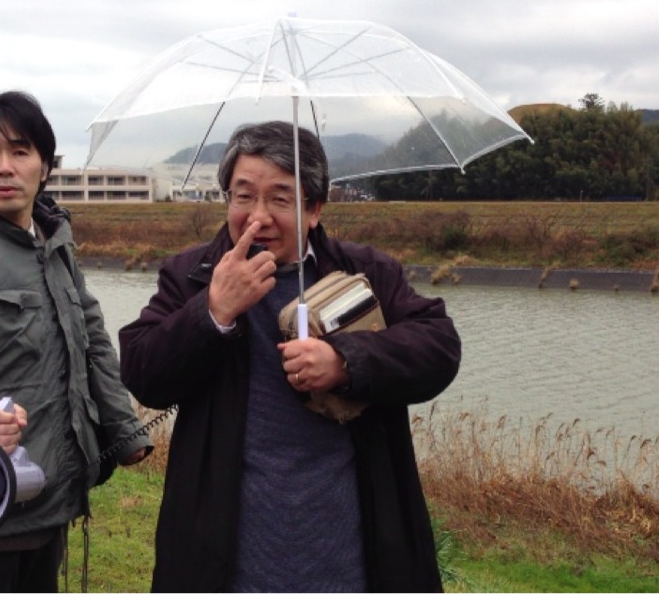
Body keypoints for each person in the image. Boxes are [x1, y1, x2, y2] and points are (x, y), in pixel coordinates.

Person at [119, 120, 462, 592]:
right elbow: (142, 371)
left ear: (314, 208)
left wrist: (345, 362)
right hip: (225, 555)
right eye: (243, 196)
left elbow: (439, 346)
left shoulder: (367, 272)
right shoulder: (192, 276)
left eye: (280, 199)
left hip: (349, 552)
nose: (258, 217)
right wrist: (213, 311)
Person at [0, 90, 152, 593]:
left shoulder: (54, 244)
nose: (5, 167)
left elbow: (94, 344)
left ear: (44, 166)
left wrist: (125, 433)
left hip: (51, 497)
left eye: (20, 151)